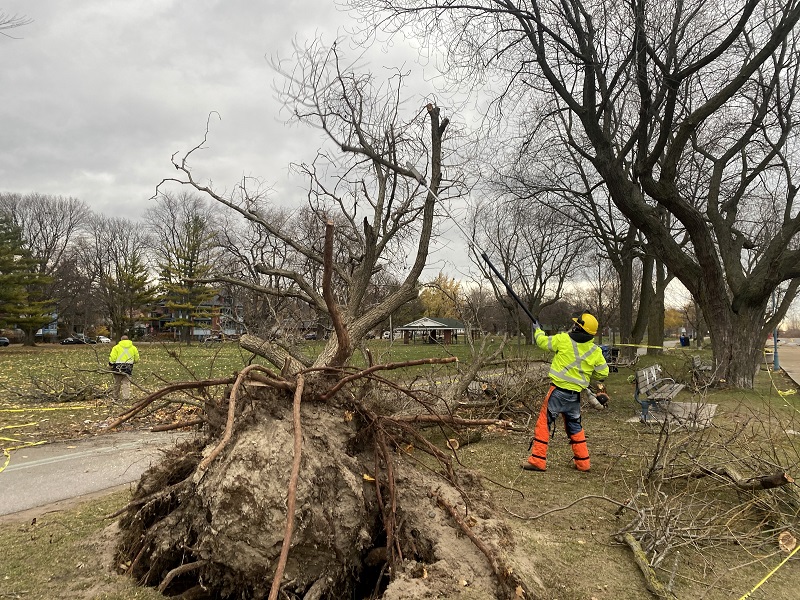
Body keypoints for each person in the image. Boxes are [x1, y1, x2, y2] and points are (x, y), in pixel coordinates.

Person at [522, 312, 609, 473]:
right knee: (575, 427)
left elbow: (542, 342)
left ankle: (538, 461)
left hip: (557, 392)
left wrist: (538, 330)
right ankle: (583, 463)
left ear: (578, 327)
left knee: (543, 423)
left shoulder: (563, 339)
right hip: (574, 396)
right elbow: (603, 373)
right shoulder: (595, 351)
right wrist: (588, 373)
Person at [109, 335, 140, 401]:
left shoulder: (116, 347)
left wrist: (110, 364)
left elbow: (113, 358)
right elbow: (137, 359)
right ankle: (126, 397)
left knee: (117, 383)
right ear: (128, 340)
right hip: (128, 368)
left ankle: (115, 397)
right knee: (126, 383)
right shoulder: (133, 348)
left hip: (117, 367)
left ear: (121, 340)